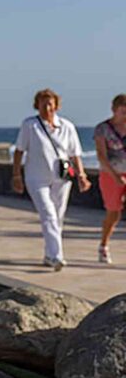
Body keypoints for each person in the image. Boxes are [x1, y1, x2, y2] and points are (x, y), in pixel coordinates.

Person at [12, 88, 92, 271]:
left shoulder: (67, 126)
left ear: (56, 105)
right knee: (48, 214)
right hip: (36, 178)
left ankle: (49, 254)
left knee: (57, 217)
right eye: (43, 104)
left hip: (61, 178)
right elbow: (19, 151)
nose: (47, 107)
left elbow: (75, 154)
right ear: (37, 105)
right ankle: (57, 257)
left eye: (50, 104)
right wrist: (16, 175)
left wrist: (82, 175)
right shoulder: (30, 125)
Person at [94, 93, 126, 264]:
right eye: (123, 112)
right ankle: (104, 245)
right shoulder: (103, 129)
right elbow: (101, 156)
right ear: (114, 110)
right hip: (110, 174)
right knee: (114, 213)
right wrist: (115, 176)